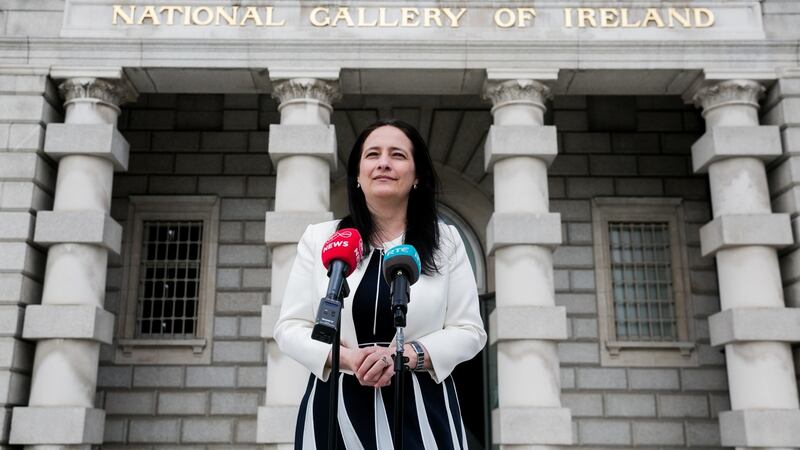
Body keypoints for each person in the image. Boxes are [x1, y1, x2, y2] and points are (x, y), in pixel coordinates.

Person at [274, 119, 487, 449]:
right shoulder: (320, 238)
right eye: (372, 154)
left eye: (398, 155)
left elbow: (470, 331)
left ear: (417, 176)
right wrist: (349, 360)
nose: (384, 162)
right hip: (336, 408)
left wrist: (402, 356)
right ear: (358, 175)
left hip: (421, 407)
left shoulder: (447, 241)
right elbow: (290, 328)